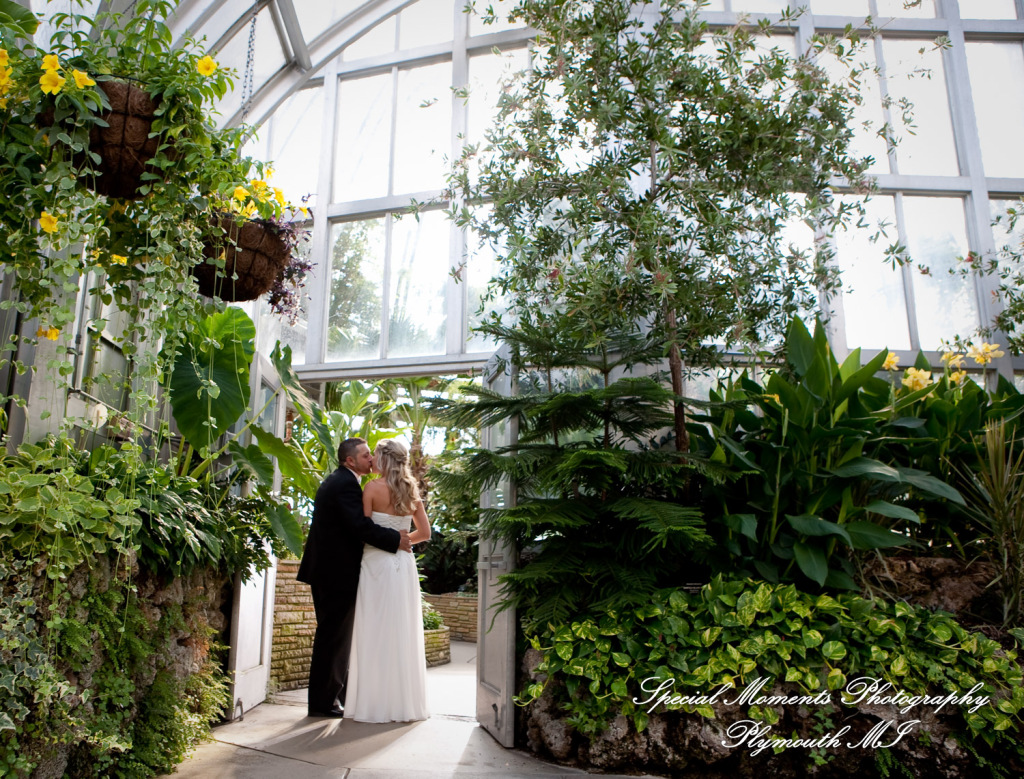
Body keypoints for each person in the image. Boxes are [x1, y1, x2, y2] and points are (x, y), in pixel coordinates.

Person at [296, 437, 412, 718]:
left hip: (329, 571)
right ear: (350, 461)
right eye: (365, 456)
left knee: (335, 637)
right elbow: (360, 526)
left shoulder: (342, 481)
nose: (371, 459)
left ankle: (334, 697)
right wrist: (396, 539)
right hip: (335, 573)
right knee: (333, 638)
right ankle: (323, 704)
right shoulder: (345, 485)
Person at [344, 438, 432, 722]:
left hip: (376, 563)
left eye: (376, 455)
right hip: (403, 565)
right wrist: (404, 541)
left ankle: (373, 703)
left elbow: (364, 530)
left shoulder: (370, 488)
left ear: (383, 459)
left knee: (373, 628)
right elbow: (425, 534)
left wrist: (393, 542)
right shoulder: (411, 490)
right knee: (401, 629)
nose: (372, 459)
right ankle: (403, 703)